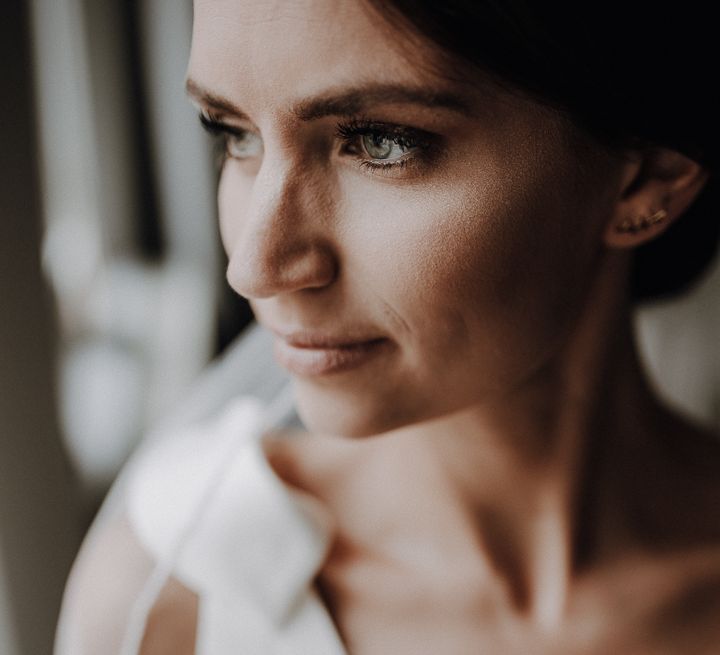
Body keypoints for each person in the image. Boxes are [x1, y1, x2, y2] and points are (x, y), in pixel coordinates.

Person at [55, 1, 720, 653]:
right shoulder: (172, 596)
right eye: (236, 135)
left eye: (380, 143)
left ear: (646, 176)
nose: (256, 268)